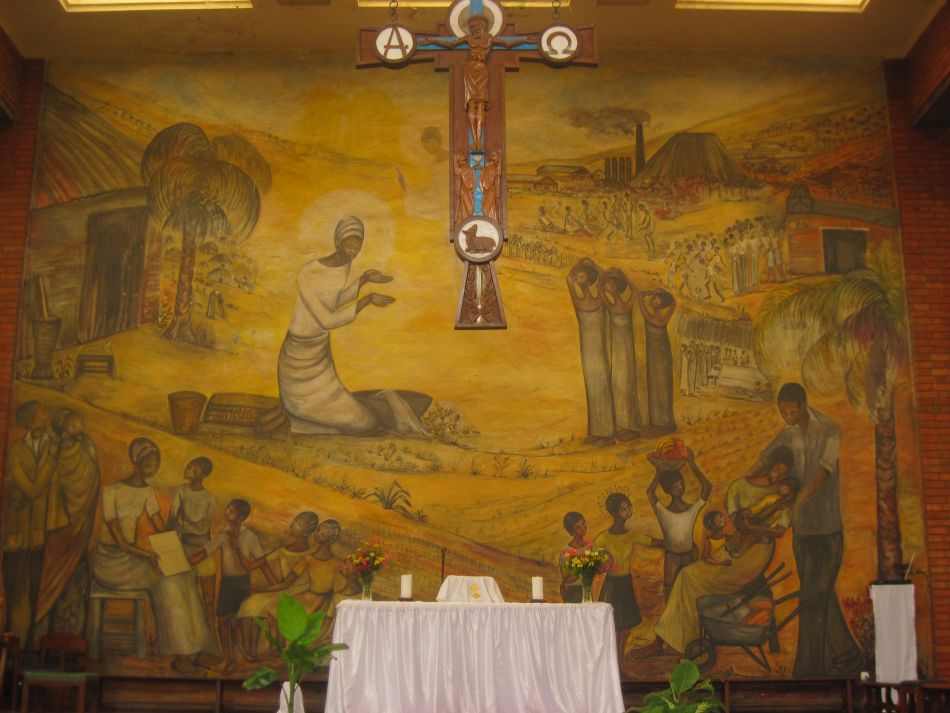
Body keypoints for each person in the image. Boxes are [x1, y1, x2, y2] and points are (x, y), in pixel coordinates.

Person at [740, 382, 861, 677]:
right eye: (782, 413)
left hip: (827, 528)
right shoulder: (787, 435)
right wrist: (743, 482)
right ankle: (847, 655)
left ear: (802, 406)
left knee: (812, 598)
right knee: (819, 593)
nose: (786, 418)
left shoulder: (828, 429)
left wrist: (799, 501)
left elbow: (823, 471)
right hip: (803, 531)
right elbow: (766, 458)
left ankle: (808, 671)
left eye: (789, 412)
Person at [634, 453, 791, 658]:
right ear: (769, 466)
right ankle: (668, 640)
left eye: (783, 475)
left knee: (687, 578)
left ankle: (671, 641)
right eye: (776, 470)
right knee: (685, 577)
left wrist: (753, 528)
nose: (778, 477)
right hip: (734, 547)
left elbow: (778, 531)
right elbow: (738, 522)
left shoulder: (785, 500)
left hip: (754, 556)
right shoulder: (743, 487)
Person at [90, 437, 215, 674]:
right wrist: (149, 555)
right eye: (148, 465)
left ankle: (196, 649)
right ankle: (181, 656)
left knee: (183, 575)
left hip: (133, 559)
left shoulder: (147, 491)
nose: (152, 470)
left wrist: (175, 545)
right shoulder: (111, 492)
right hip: (110, 561)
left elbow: (161, 526)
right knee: (168, 581)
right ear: (136, 463)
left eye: (155, 465)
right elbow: (120, 541)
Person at [277, 216, 399, 436]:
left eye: (357, 247)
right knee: (363, 424)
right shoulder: (308, 274)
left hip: (321, 360)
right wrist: (367, 300)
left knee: (366, 421)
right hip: (298, 363)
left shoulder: (344, 265)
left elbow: (334, 301)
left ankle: (301, 424)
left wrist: (363, 280)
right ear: (337, 242)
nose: (353, 252)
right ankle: (298, 419)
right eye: (349, 246)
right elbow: (326, 319)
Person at [3, 401, 65, 647]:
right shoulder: (16, 451)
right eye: (41, 413)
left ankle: (30, 648)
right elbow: (32, 490)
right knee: (15, 593)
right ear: (30, 421)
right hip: (17, 536)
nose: (45, 414)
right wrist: (50, 462)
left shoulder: (53, 445)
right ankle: (13, 648)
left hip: (39, 535)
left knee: (35, 592)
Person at [35, 408, 100, 636]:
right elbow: (81, 487)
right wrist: (91, 456)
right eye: (74, 425)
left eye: (79, 423)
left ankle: (67, 637)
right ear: (65, 428)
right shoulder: (66, 450)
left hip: (72, 529)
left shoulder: (71, 448)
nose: (80, 427)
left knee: (70, 582)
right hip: (64, 529)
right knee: (52, 576)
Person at [191, 499, 274, 674]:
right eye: (227, 508)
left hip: (242, 582)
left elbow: (260, 561)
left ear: (242, 516)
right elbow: (206, 551)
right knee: (222, 620)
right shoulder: (224, 534)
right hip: (227, 582)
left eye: (232, 511)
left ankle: (236, 658)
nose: (227, 512)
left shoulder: (249, 537)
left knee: (237, 621)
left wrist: (274, 582)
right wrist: (185, 563)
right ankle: (227, 658)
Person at [428, 15, 523, 152]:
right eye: (472, 28)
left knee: (481, 105)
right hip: (470, 71)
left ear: (483, 26)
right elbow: (450, 44)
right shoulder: (468, 39)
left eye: (476, 27)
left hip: (482, 71)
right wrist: (432, 40)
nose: (474, 30)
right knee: (472, 104)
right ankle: (475, 138)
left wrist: (526, 40)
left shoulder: (489, 38)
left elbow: (507, 43)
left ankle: (479, 139)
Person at [254, 519, 352, 643]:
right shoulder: (307, 559)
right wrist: (261, 590)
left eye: (322, 534)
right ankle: (281, 650)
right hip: (307, 596)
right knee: (276, 610)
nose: (316, 535)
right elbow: (286, 583)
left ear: (329, 541)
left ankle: (288, 650)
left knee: (295, 619)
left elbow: (339, 590)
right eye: (318, 530)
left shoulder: (336, 563)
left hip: (322, 603)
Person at [237, 511, 319, 659]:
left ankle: (272, 650)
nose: (293, 525)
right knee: (248, 605)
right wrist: (237, 548)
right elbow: (251, 566)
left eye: (299, 524)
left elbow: (287, 583)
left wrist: (259, 589)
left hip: (299, 592)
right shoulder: (283, 550)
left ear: (307, 532)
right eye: (294, 521)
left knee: (262, 604)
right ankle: (250, 652)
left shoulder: (311, 554)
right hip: (282, 589)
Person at [594, 493, 663, 669]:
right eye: (624, 508)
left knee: (624, 629)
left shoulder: (631, 535)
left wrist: (676, 541)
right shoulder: (602, 538)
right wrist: (603, 563)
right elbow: (596, 564)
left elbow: (654, 542)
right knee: (613, 627)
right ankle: (612, 665)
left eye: (629, 506)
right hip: (611, 586)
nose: (629, 510)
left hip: (625, 584)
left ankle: (620, 664)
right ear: (615, 513)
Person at [646, 448, 713, 601]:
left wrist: (692, 463)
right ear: (668, 490)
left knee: (692, 589)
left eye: (681, 484)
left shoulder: (691, 509)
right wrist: (659, 471)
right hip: (672, 557)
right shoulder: (663, 512)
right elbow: (650, 493)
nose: (680, 488)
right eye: (676, 486)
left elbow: (707, 487)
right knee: (670, 589)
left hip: (690, 554)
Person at [567, 258, 614, 445]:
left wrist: (594, 266)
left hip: (600, 352)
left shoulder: (600, 298)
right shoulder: (578, 299)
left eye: (582, 276)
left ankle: (608, 434)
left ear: (588, 280)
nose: (578, 278)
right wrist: (579, 264)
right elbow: (568, 279)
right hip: (587, 352)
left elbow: (603, 278)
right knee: (592, 389)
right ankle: (596, 431)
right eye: (578, 275)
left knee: (602, 387)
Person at [167, 456, 217, 631]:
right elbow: (171, 522)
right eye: (188, 467)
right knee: (185, 598)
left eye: (194, 470)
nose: (188, 471)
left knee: (209, 599)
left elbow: (204, 528)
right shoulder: (180, 492)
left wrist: (183, 527)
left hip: (203, 550)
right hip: (184, 549)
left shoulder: (209, 498)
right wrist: (185, 528)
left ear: (203, 475)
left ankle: (211, 637)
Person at [602, 268, 643, 442]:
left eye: (610, 284)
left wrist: (622, 274)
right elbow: (600, 287)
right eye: (607, 284)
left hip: (626, 352)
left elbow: (634, 289)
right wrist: (605, 276)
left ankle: (632, 426)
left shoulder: (625, 304)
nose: (607, 286)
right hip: (617, 353)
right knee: (618, 385)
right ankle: (622, 426)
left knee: (627, 386)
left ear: (617, 288)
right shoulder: (610, 305)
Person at [727, 473, 800, 558]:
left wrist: (752, 528)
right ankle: (732, 543)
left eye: (786, 489)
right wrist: (746, 513)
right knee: (743, 523)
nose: (782, 489)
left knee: (753, 535)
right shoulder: (772, 498)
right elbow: (756, 509)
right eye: (782, 486)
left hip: (766, 533)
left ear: (792, 494)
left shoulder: (787, 509)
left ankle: (739, 550)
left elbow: (779, 532)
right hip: (756, 523)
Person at [639, 289, 677, 433]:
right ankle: (658, 422)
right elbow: (674, 302)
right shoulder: (658, 317)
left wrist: (650, 292)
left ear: (660, 306)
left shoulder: (656, 318)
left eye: (657, 302)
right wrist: (658, 292)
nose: (654, 302)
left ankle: (665, 423)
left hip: (661, 357)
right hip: (655, 357)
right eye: (654, 299)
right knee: (655, 387)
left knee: (662, 387)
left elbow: (640, 297)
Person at [558, 512, 589, 603]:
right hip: (573, 590)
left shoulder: (590, 548)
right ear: (571, 532)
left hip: (588, 590)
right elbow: (566, 578)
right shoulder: (566, 552)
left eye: (583, 523)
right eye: (578, 527)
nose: (583, 527)